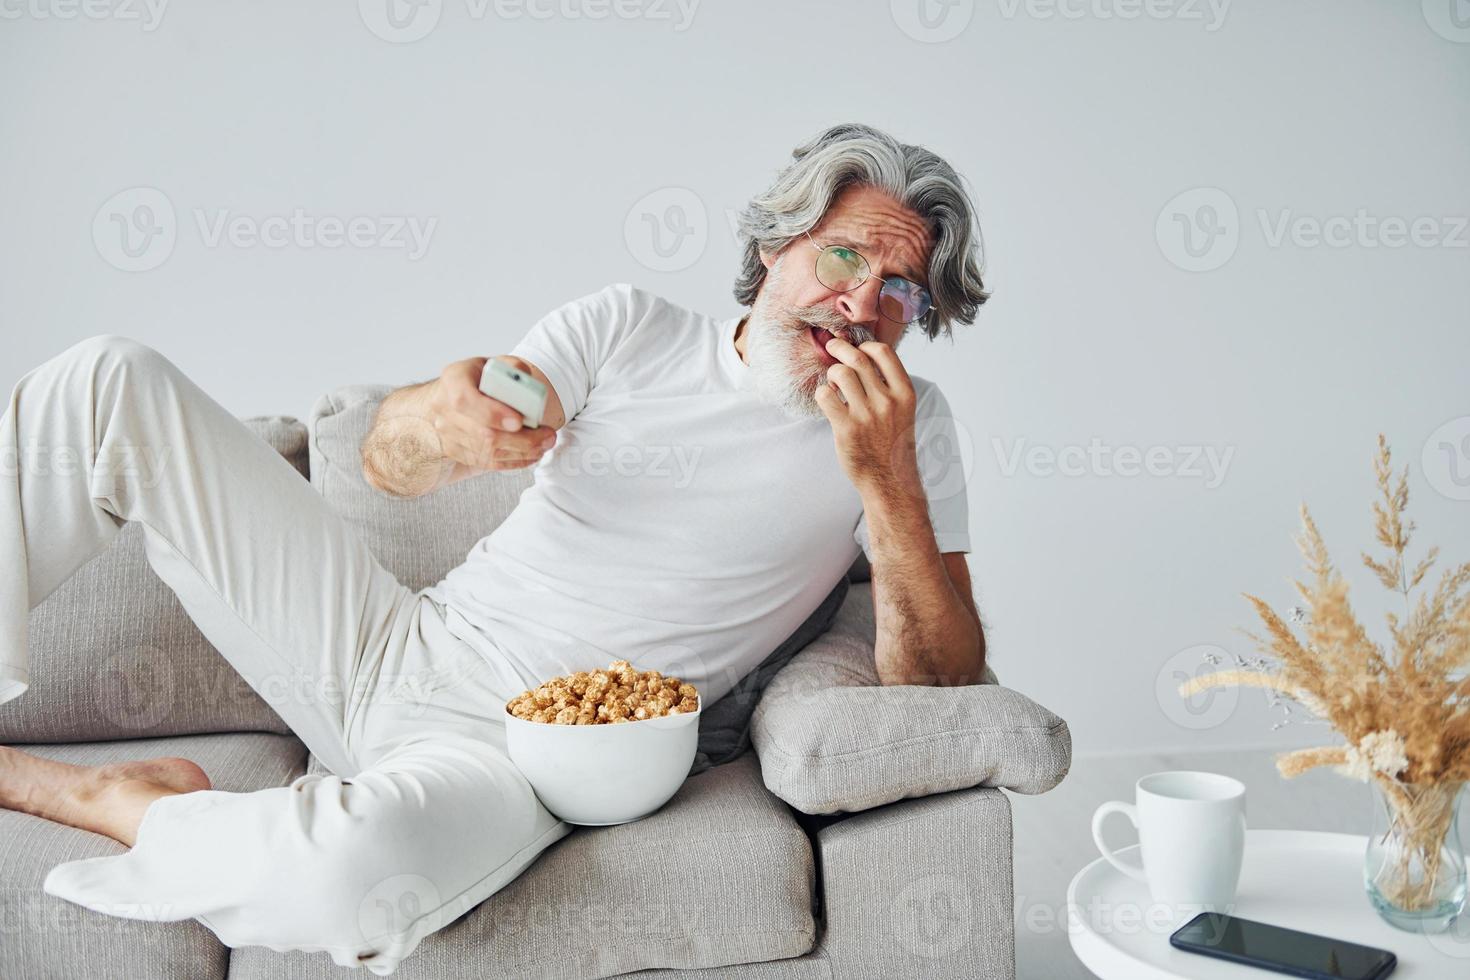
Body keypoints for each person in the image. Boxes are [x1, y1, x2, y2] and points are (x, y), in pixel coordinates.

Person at [0, 122, 990, 975]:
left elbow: (942, 677)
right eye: (848, 258)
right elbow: (393, 462)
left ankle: (107, 795)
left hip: (535, 752)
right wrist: (437, 423)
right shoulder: (630, 327)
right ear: (778, 242)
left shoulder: (912, 428)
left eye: (902, 292)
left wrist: (889, 482)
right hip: (393, 641)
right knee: (107, 382)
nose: (865, 306)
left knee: (347, 882)